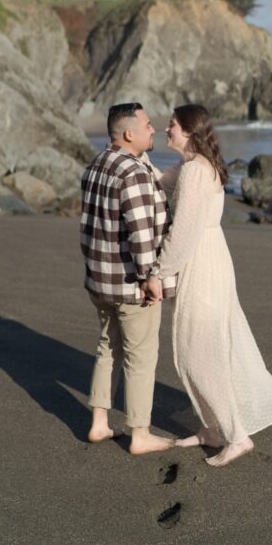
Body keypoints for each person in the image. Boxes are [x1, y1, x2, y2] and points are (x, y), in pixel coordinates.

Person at [151, 103, 272, 466]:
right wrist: (134, 160)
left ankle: (236, 435)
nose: (166, 130)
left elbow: (182, 233)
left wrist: (158, 271)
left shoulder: (196, 172)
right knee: (204, 348)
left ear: (188, 131)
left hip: (202, 263)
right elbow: (162, 183)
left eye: (171, 126)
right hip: (211, 258)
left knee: (198, 354)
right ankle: (212, 429)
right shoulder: (192, 166)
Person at [79, 102, 177, 455]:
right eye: (148, 125)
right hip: (129, 283)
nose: (154, 130)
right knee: (141, 356)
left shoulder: (96, 165)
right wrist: (150, 277)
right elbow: (140, 234)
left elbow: (89, 227)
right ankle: (140, 434)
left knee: (108, 348)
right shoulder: (133, 172)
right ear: (129, 133)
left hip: (99, 281)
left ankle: (99, 423)